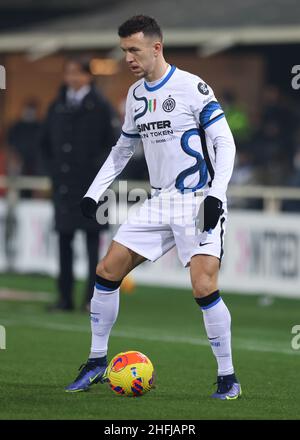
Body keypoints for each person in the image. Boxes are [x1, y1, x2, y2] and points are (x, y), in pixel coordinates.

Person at [66, 15, 240, 400]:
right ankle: (97, 361)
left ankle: (228, 377)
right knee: (106, 269)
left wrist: (216, 195)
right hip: (160, 200)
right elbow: (123, 149)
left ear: (156, 47)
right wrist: (94, 192)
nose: (127, 57)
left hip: (197, 199)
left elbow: (225, 145)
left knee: (203, 285)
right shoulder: (135, 95)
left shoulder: (193, 87)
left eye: (134, 49)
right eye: (124, 49)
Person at [40, 57, 119, 311]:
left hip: (95, 188)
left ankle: (91, 299)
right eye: (69, 73)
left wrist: (96, 175)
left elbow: (113, 147)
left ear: (89, 76)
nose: (73, 78)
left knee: (93, 244)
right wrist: (53, 171)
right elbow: (45, 143)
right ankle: (64, 297)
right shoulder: (57, 105)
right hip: (63, 186)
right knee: (64, 241)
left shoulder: (101, 107)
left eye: (78, 73)